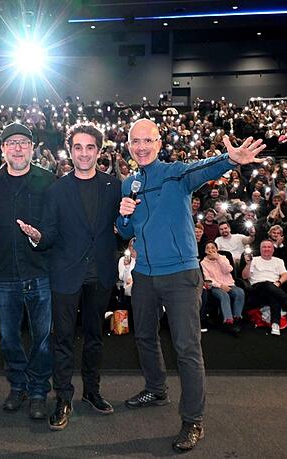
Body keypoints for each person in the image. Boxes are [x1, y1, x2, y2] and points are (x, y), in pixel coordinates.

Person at [117, 119, 266, 453]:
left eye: (148, 140)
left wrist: (231, 159)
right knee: (144, 336)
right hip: (144, 274)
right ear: (128, 145)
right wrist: (123, 216)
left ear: (159, 143)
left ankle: (192, 419)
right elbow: (125, 232)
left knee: (186, 348)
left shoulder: (175, 173)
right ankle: (156, 390)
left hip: (182, 274)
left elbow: (203, 168)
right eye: (135, 141)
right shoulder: (128, 184)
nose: (141, 147)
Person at [17, 123, 121, 430]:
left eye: (90, 147)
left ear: (99, 151)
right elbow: (49, 234)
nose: (84, 153)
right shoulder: (56, 189)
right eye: (78, 147)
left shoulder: (113, 186)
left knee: (95, 338)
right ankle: (63, 397)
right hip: (65, 274)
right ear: (70, 150)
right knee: (62, 339)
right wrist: (37, 237)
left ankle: (92, 391)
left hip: (100, 274)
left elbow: (122, 227)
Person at [0, 122, 55, 421]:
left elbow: (54, 226)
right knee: (9, 338)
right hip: (4, 274)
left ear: (32, 147)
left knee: (42, 339)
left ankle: (38, 390)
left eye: (23, 142)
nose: (17, 148)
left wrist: (41, 236)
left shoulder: (48, 180)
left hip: (40, 271)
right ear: (2, 149)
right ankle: (18, 386)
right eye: (11, 143)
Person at [242, 240, 287, 336]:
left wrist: (278, 282)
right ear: (260, 249)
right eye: (264, 247)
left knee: (274, 294)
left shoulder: (278, 261)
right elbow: (244, 276)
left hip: (274, 287)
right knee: (267, 284)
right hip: (257, 289)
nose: (266, 249)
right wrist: (248, 264)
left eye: (269, 247)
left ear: (273, 249)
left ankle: (275, 325)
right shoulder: (254, 260)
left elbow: (286, 275)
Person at [200, 242, 244, 335]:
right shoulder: (203, 262)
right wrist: (220, 286)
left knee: (240, 292)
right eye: (208, 248)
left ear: (217, 249)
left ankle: (237, 317)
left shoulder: (223, 258)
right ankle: (228, 321)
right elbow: (208, 279)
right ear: (205, 251)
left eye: (213, 248)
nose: (210, 250)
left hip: (229, 283)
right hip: (216, 286)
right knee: (224, 295)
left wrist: (218, 259)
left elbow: (228, 270)